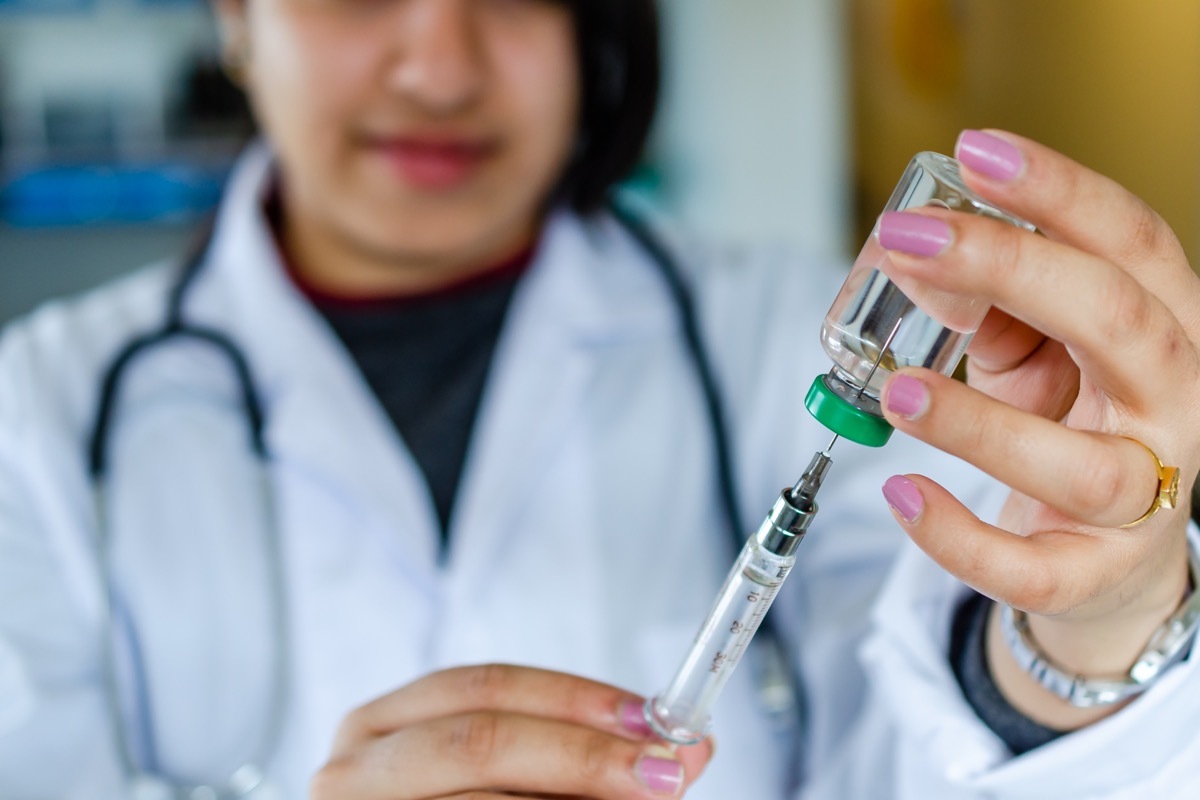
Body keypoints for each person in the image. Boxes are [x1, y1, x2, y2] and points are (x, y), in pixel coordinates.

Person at [1, 0, 1198, 797]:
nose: (438, 67)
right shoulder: (38, 412)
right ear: (234, 16)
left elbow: (940, 757)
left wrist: (1090, 629)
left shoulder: (794, 332)